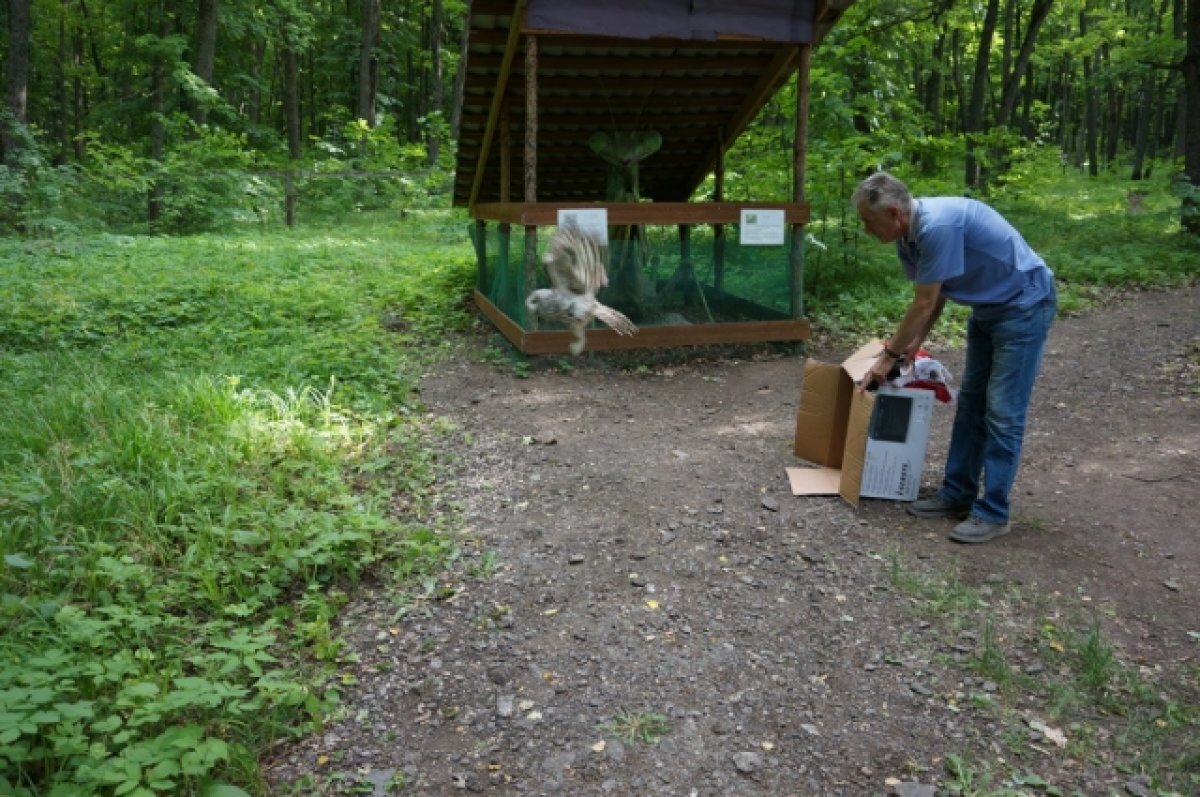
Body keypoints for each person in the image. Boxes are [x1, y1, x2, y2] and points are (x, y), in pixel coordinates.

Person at [852, 172, 1057, 544]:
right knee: (971, 404)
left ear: (895, 213)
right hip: (988, 309)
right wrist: (914, 344)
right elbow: (936, 295)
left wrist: (890, 356)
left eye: (868, 221)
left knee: (1003, 412)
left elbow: (924, 301)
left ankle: (994, 512)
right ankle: (957, 494)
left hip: (1024, 306)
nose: (866, 229)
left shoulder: (937, 227)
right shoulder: (908, 239)